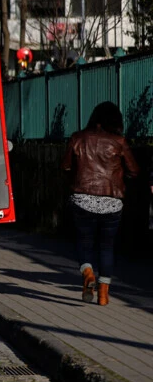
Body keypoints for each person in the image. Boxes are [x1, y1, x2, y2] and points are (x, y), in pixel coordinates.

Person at [60, 101, 142, 306]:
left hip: (82, 199)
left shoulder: (78, 138)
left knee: (84, 242)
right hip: (111, 202)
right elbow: (134, 171)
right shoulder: (119, 141)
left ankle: (88, 274)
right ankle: (104, 295)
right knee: (107, 247)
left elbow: (66, 167)